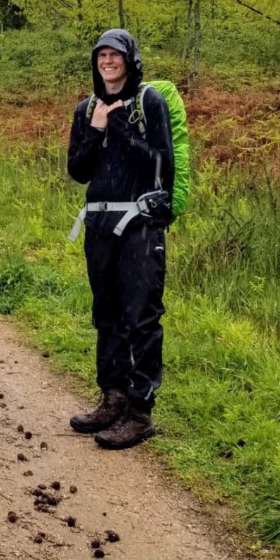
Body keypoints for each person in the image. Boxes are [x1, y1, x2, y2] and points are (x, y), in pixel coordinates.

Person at [66, 28, 175, 448]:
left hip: (141, 225)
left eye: (115, 55)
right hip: (99, 225)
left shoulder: (150, 103)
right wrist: (95, 128)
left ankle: (140, 410)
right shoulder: (85, 108)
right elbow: (78, 170)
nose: (108, 62)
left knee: (142, 316)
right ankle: (111, 398)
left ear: (130, 60)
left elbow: (159, 166)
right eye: (101, 55)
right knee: (106, 314)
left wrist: (120, 125)